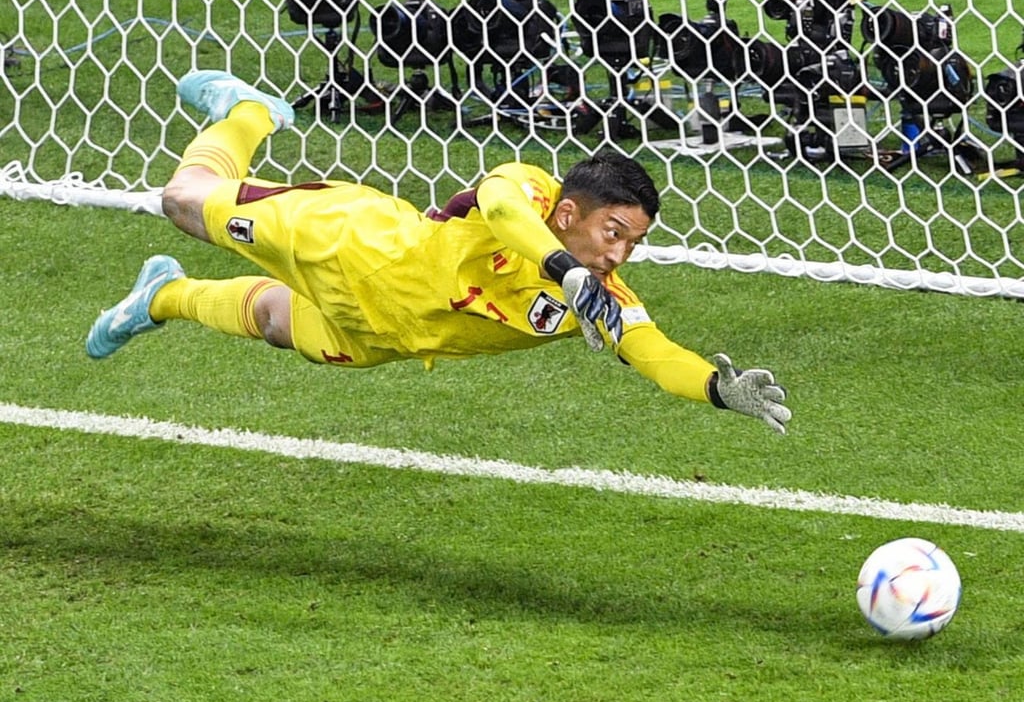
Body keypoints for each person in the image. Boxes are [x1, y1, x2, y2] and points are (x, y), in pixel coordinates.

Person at [86, 70, 791, 434]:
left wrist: (716, 390)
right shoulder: (533, 191)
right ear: (572, 213)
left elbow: (655, 352)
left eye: (634, 244)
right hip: (349, 242)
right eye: (615, 234)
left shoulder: (600, 301)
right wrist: (566, 270)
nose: (621, 257)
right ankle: (251, 113)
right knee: (182, 199)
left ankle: (161, 296)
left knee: (276, 325)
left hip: (382, 333)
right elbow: (502, 206)